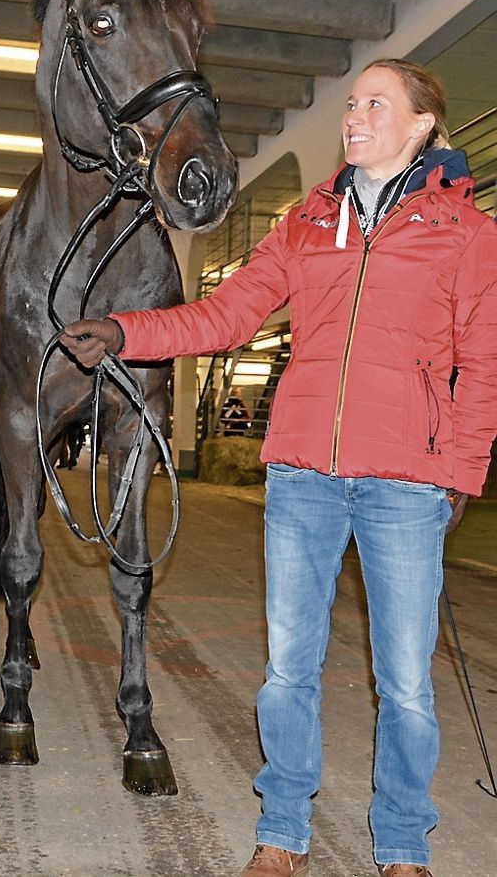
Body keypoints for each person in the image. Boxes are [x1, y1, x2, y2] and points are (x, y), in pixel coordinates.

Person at [59, 59, 497, 877]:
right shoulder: (306, 222)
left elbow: (484, 364)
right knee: (288, 668)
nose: (354, 115)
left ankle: (403, 842)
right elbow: (226, 314)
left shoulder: (467, 235)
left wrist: (459, 475)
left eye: (375, 103)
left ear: (421, 126)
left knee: (404, 682)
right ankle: (283, 830)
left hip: (406, 482)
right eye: (351, 101)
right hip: (303, 476)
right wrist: (126, 331)